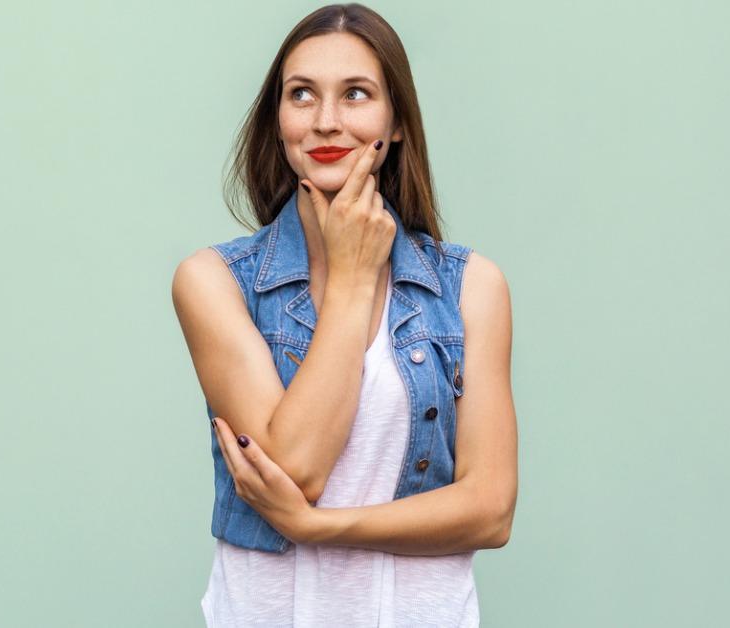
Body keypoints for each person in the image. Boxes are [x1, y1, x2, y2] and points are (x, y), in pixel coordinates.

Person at [172, 4, 517, 626]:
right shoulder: (215, 282)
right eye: (301, 95)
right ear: (278, 121)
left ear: (397, 122)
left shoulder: (472, 287)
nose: (327, 122)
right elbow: (297, 466)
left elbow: (490, 510)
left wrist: (317, 528)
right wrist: (355, 279)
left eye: (356, 94)